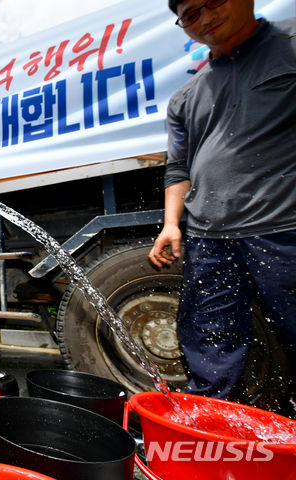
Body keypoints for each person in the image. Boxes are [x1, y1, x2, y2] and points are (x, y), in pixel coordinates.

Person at [149, 0, 296, 406]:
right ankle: (215, 427)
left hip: (284, 228)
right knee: (210, 343)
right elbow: (178, 168)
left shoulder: (290, 47)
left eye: (213, 2)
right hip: (209, 239)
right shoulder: (185, 97)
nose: (206, 17)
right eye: (191, 14)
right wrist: (171, 224)